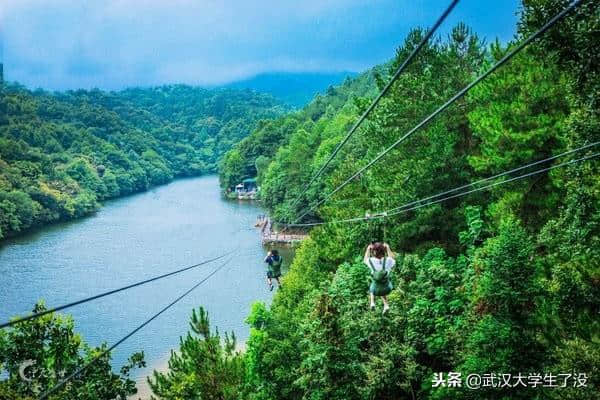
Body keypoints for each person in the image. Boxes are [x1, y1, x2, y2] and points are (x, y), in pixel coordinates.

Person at [363, 242, 396, 314]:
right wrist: (388, 248)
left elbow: (365, 259)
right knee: (381, 285)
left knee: (373, 287)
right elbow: (393, 259)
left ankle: (372, 302)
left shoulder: (371, 261)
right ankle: (386, 305)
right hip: (387, 288)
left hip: (375, 289)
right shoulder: (388, 260)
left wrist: (368, 249)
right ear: (383, 251)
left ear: (374, 252)